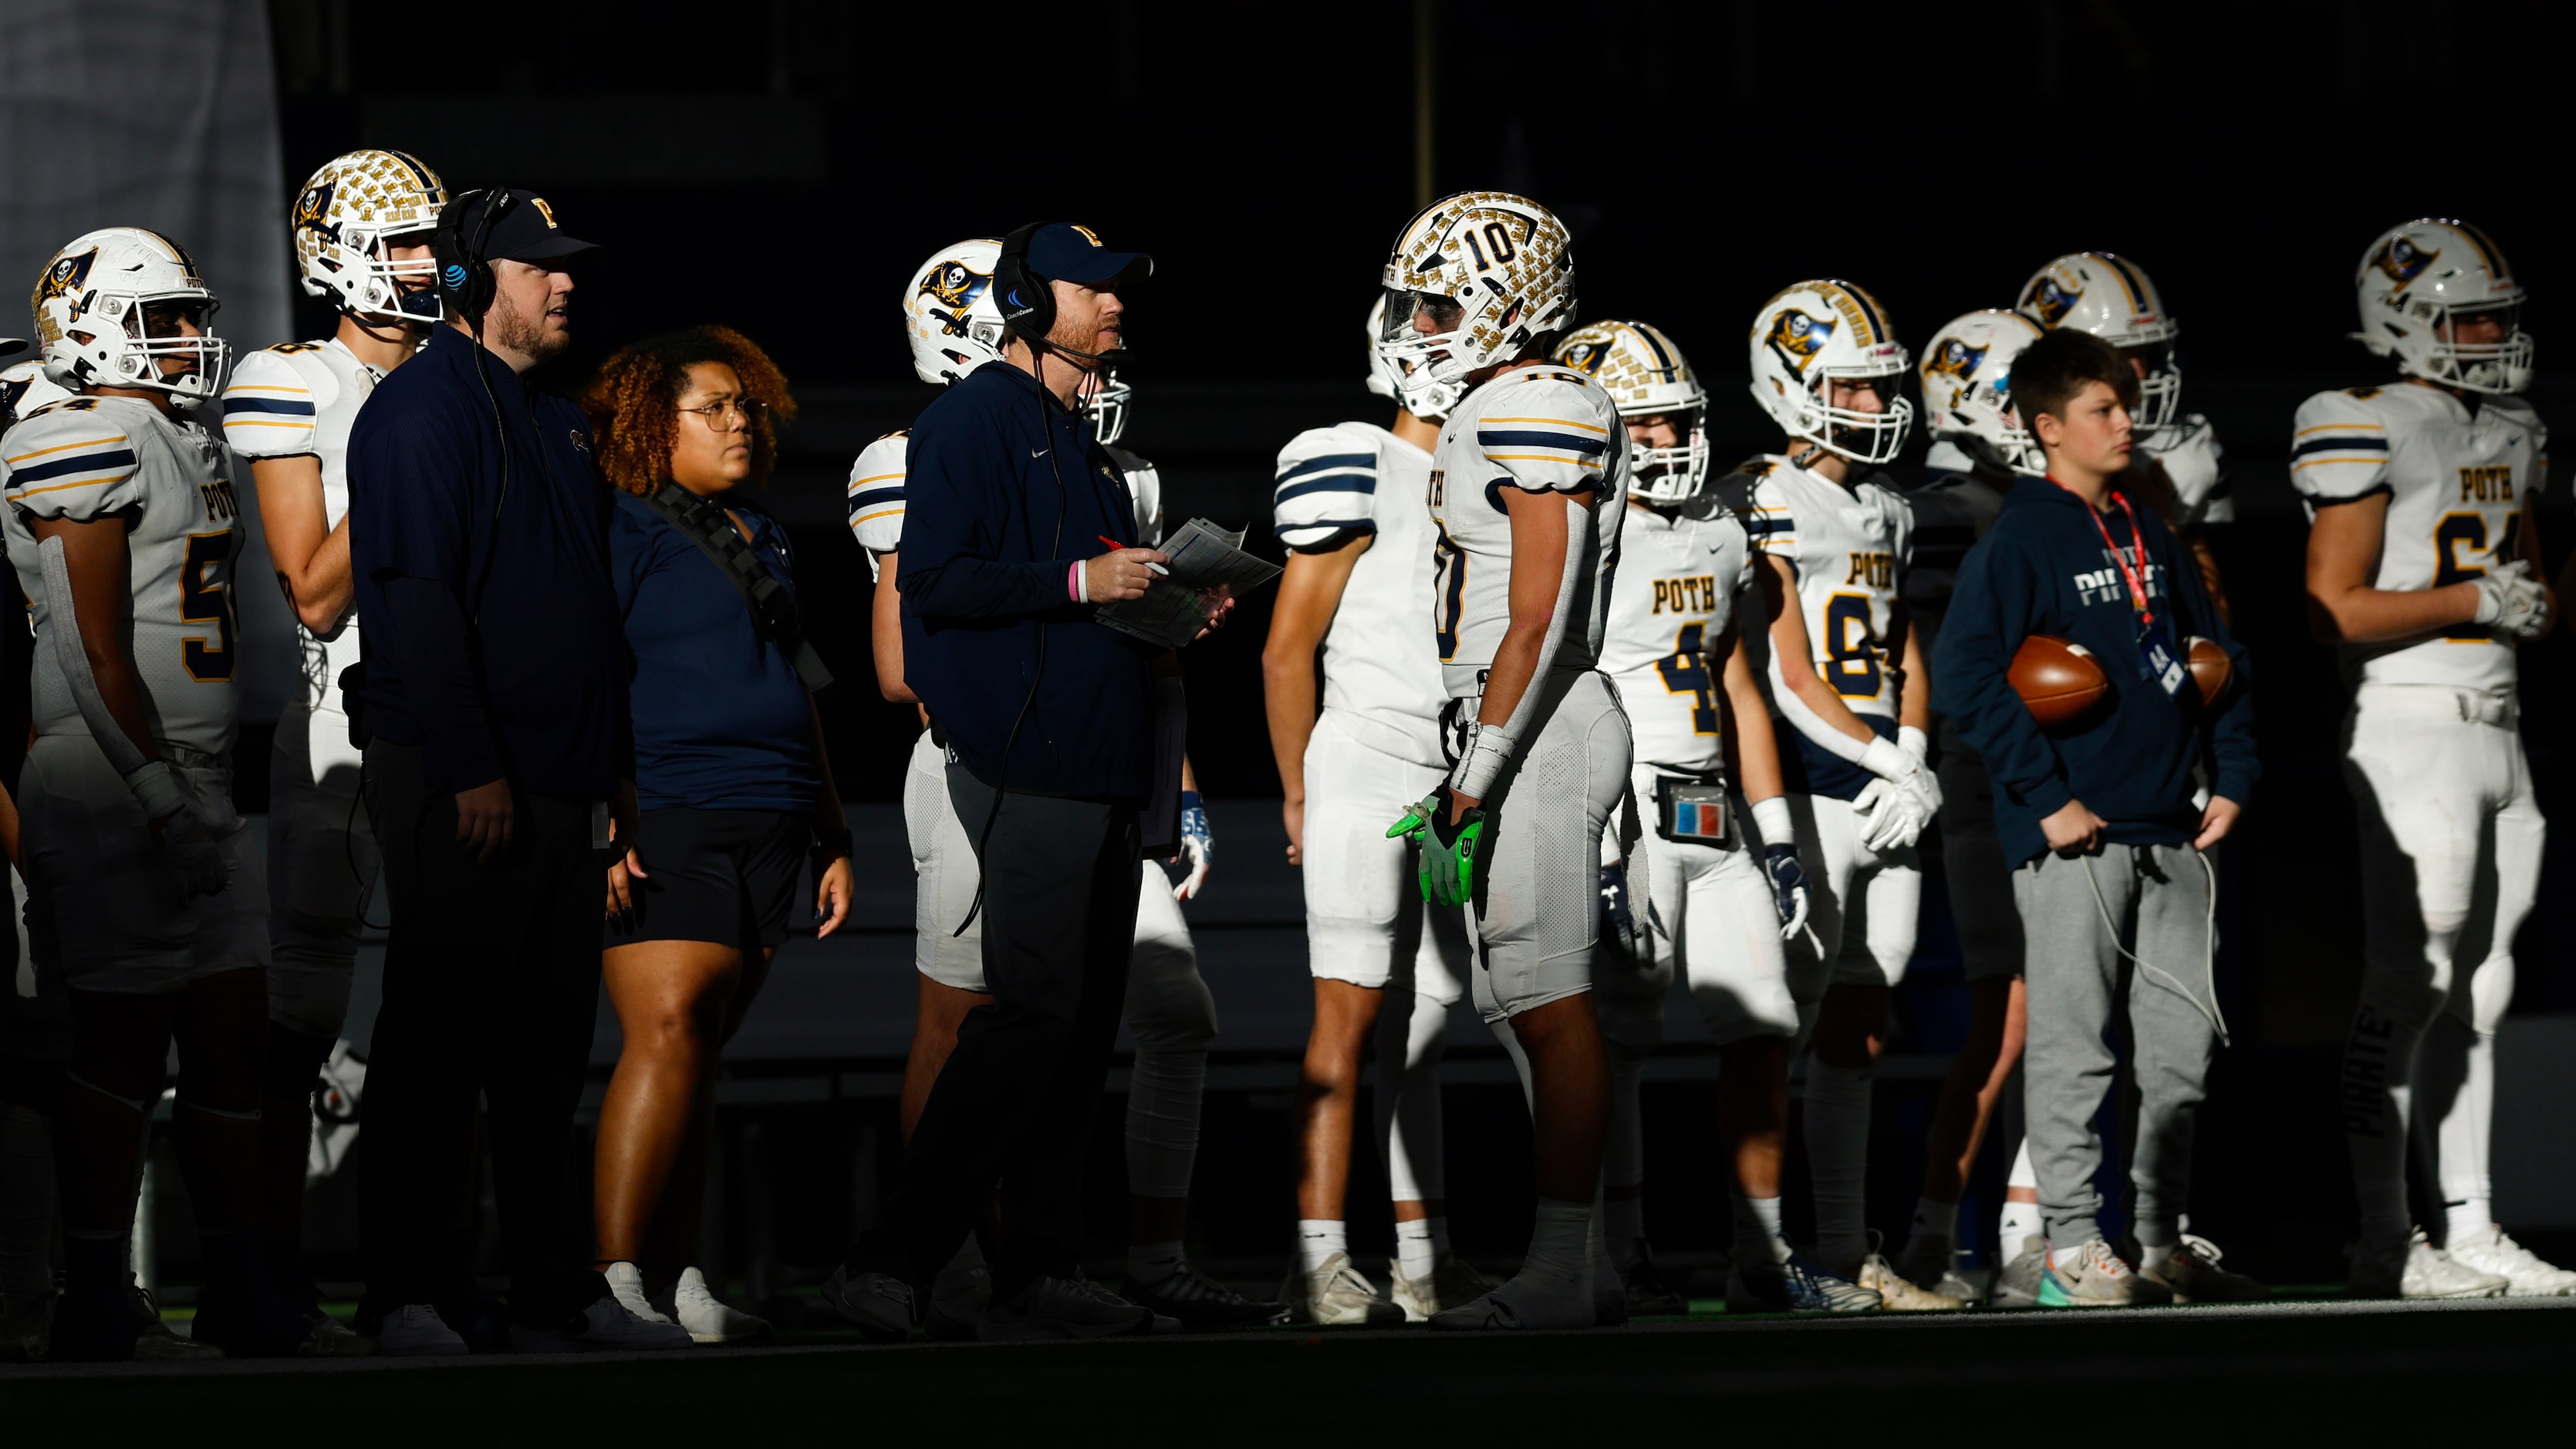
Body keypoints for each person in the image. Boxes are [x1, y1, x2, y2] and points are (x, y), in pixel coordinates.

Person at [847, 242, 1268, 1332]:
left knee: (1078, 1029)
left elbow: (1080, 609)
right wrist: (1086, 577)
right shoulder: (968, 421)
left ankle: (1042, 1266)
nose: (1118, 303)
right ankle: (895, 1259)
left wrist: (1170, 601)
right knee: (1027, 1013)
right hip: (1024, 762)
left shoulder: (1077, 441)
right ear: (1031, 306)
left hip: (1095, 763)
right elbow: (931, 582)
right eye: (1095, 288)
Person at [346, 187, 687, 1354]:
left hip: (559, 777)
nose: (564, 281)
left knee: (545, 1054)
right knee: (438, 1040)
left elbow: (587, 614)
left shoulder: (552, 417)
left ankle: (553, 1285)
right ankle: (407, 1291)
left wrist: (617, 776)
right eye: (535, 264)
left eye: (565, 264)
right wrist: (469, 765)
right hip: (467, 778)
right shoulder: (418, 411)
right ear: (462, 277)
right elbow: (414, 599)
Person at [1933, 325, 2260, 1308]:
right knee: (2077, 1048)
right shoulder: (2021, 536)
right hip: (2079, 835)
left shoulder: (2146, 525)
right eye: (2102, 410)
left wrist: (2233, 774)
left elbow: (2218, 660)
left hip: (2173, 827)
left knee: (2181, 1059)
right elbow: (1964, 676)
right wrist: (2047, 797)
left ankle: (2162, 1239)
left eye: (2123, 404)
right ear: (2047, 428)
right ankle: (2074, 1243)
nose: (2125, 421)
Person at [1556, 319, 1873, 1315]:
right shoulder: (1577, 534)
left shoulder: (1719, 527)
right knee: (1617, 1043)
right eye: (1641, 425)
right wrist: (1595, 838)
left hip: (1711, 809)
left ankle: (1762, 1256)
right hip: (1627, 809)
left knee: (1764, 1023)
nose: (1666, 441)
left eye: (1676, 421)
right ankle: (1616, 1251)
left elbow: (1741, 688)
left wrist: (1777, 840)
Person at [2301, 219, 2574, 1299]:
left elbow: (2540, 605)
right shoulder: (2362, 420)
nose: (2489, 337)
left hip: (2498, 724)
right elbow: (2331, 605)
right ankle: (2383, 1233)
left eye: (2497, 317)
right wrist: (2470, 597)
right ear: (2400, 320)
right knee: (2405, 979)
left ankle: (2469, 1224)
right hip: (2407, 719)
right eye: (2466, 317)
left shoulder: (2510, 425)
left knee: (2483, 992)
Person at [2, 228, 260, 1360]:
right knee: (116, 1043)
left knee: (229, 1031)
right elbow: (85, 650)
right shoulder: (76, 435)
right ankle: (96, 1296)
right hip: (112, 771)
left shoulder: (179, 434)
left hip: (191, 774)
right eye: (168, 318)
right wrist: (158, 794)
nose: (195, 339)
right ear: (92, 327)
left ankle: (245, 1286)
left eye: (196, 315)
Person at [1379, 191, 1629, 1332]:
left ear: (1501, 304)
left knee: (1551, 997)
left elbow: (1535, 616)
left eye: (1437, 301)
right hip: (1514, 723)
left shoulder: (1536, 398)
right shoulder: (1496, 403)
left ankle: (1564, 1270)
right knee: (1519, 994)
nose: (1418, 323)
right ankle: (1580, 1264)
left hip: (1539, 721)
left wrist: (1472, 778)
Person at [582, 326, 853, 1344]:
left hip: (775, 810)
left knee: (701, 1054)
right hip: (674, 801)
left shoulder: (764, 530)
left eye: (745, 405)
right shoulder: (616, 522)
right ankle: (607, 1280)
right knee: (665, 1032)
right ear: (655, 424)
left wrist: (833, 829)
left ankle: (677, 1271)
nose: (740, 420)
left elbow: (801, 684)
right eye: (713, 407)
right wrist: (613, 813)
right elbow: (590, 672)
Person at [221, 147, 448, 1356]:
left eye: (429, 240)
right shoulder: (291, 377)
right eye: (401, 241)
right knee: (301, 1016)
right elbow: (314, 590)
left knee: (447, 1011)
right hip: (340, 722)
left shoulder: (462, 371)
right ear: (333, 255)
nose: (422, 263)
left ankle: (429, 1274)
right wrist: (413, 445)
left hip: (462, 721)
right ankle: (262, 1275)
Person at [1723, 279, 1953, 1309]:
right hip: (1816, 782)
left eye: (1876, 387)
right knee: (1791, 1014)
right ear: (1789, 385)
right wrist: (1888, 760)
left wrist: (1912, 745)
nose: (1873, 406)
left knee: (1864, 1013)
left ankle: (1840, 1243)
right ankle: (1761, 1250)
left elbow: (1901, 636)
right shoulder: (1762, 493)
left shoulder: (1882, 504)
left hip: (1884, 779)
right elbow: (1783, 672)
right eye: (1852, 389)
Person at [1265, 299, 1484, 1326]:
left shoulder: (1479, 475)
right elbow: (1283, 648)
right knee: (1347, 1021)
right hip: (1364, 762)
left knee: (1425, 1024)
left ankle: (1420, 1252)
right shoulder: (1353, 454)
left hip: (1443, 783)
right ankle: (1317, 1259)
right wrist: (1299, 792)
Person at [1889, 309, 2048, 1305]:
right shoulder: (1948, 509)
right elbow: (1963, 664)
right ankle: (1952, 1232)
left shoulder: (2034, 503)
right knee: (2016, 1008)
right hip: (1991, 768)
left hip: (2049, 771)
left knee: (2054, 1012)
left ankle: (2014, 1228)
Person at [2016, 253, 2232, 615]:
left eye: (2144, 352)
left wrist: (2162, 526)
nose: (2139, 374)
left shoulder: (2181, 451)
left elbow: (2214, 615)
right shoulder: (1991, 454)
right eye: (2117, 354)